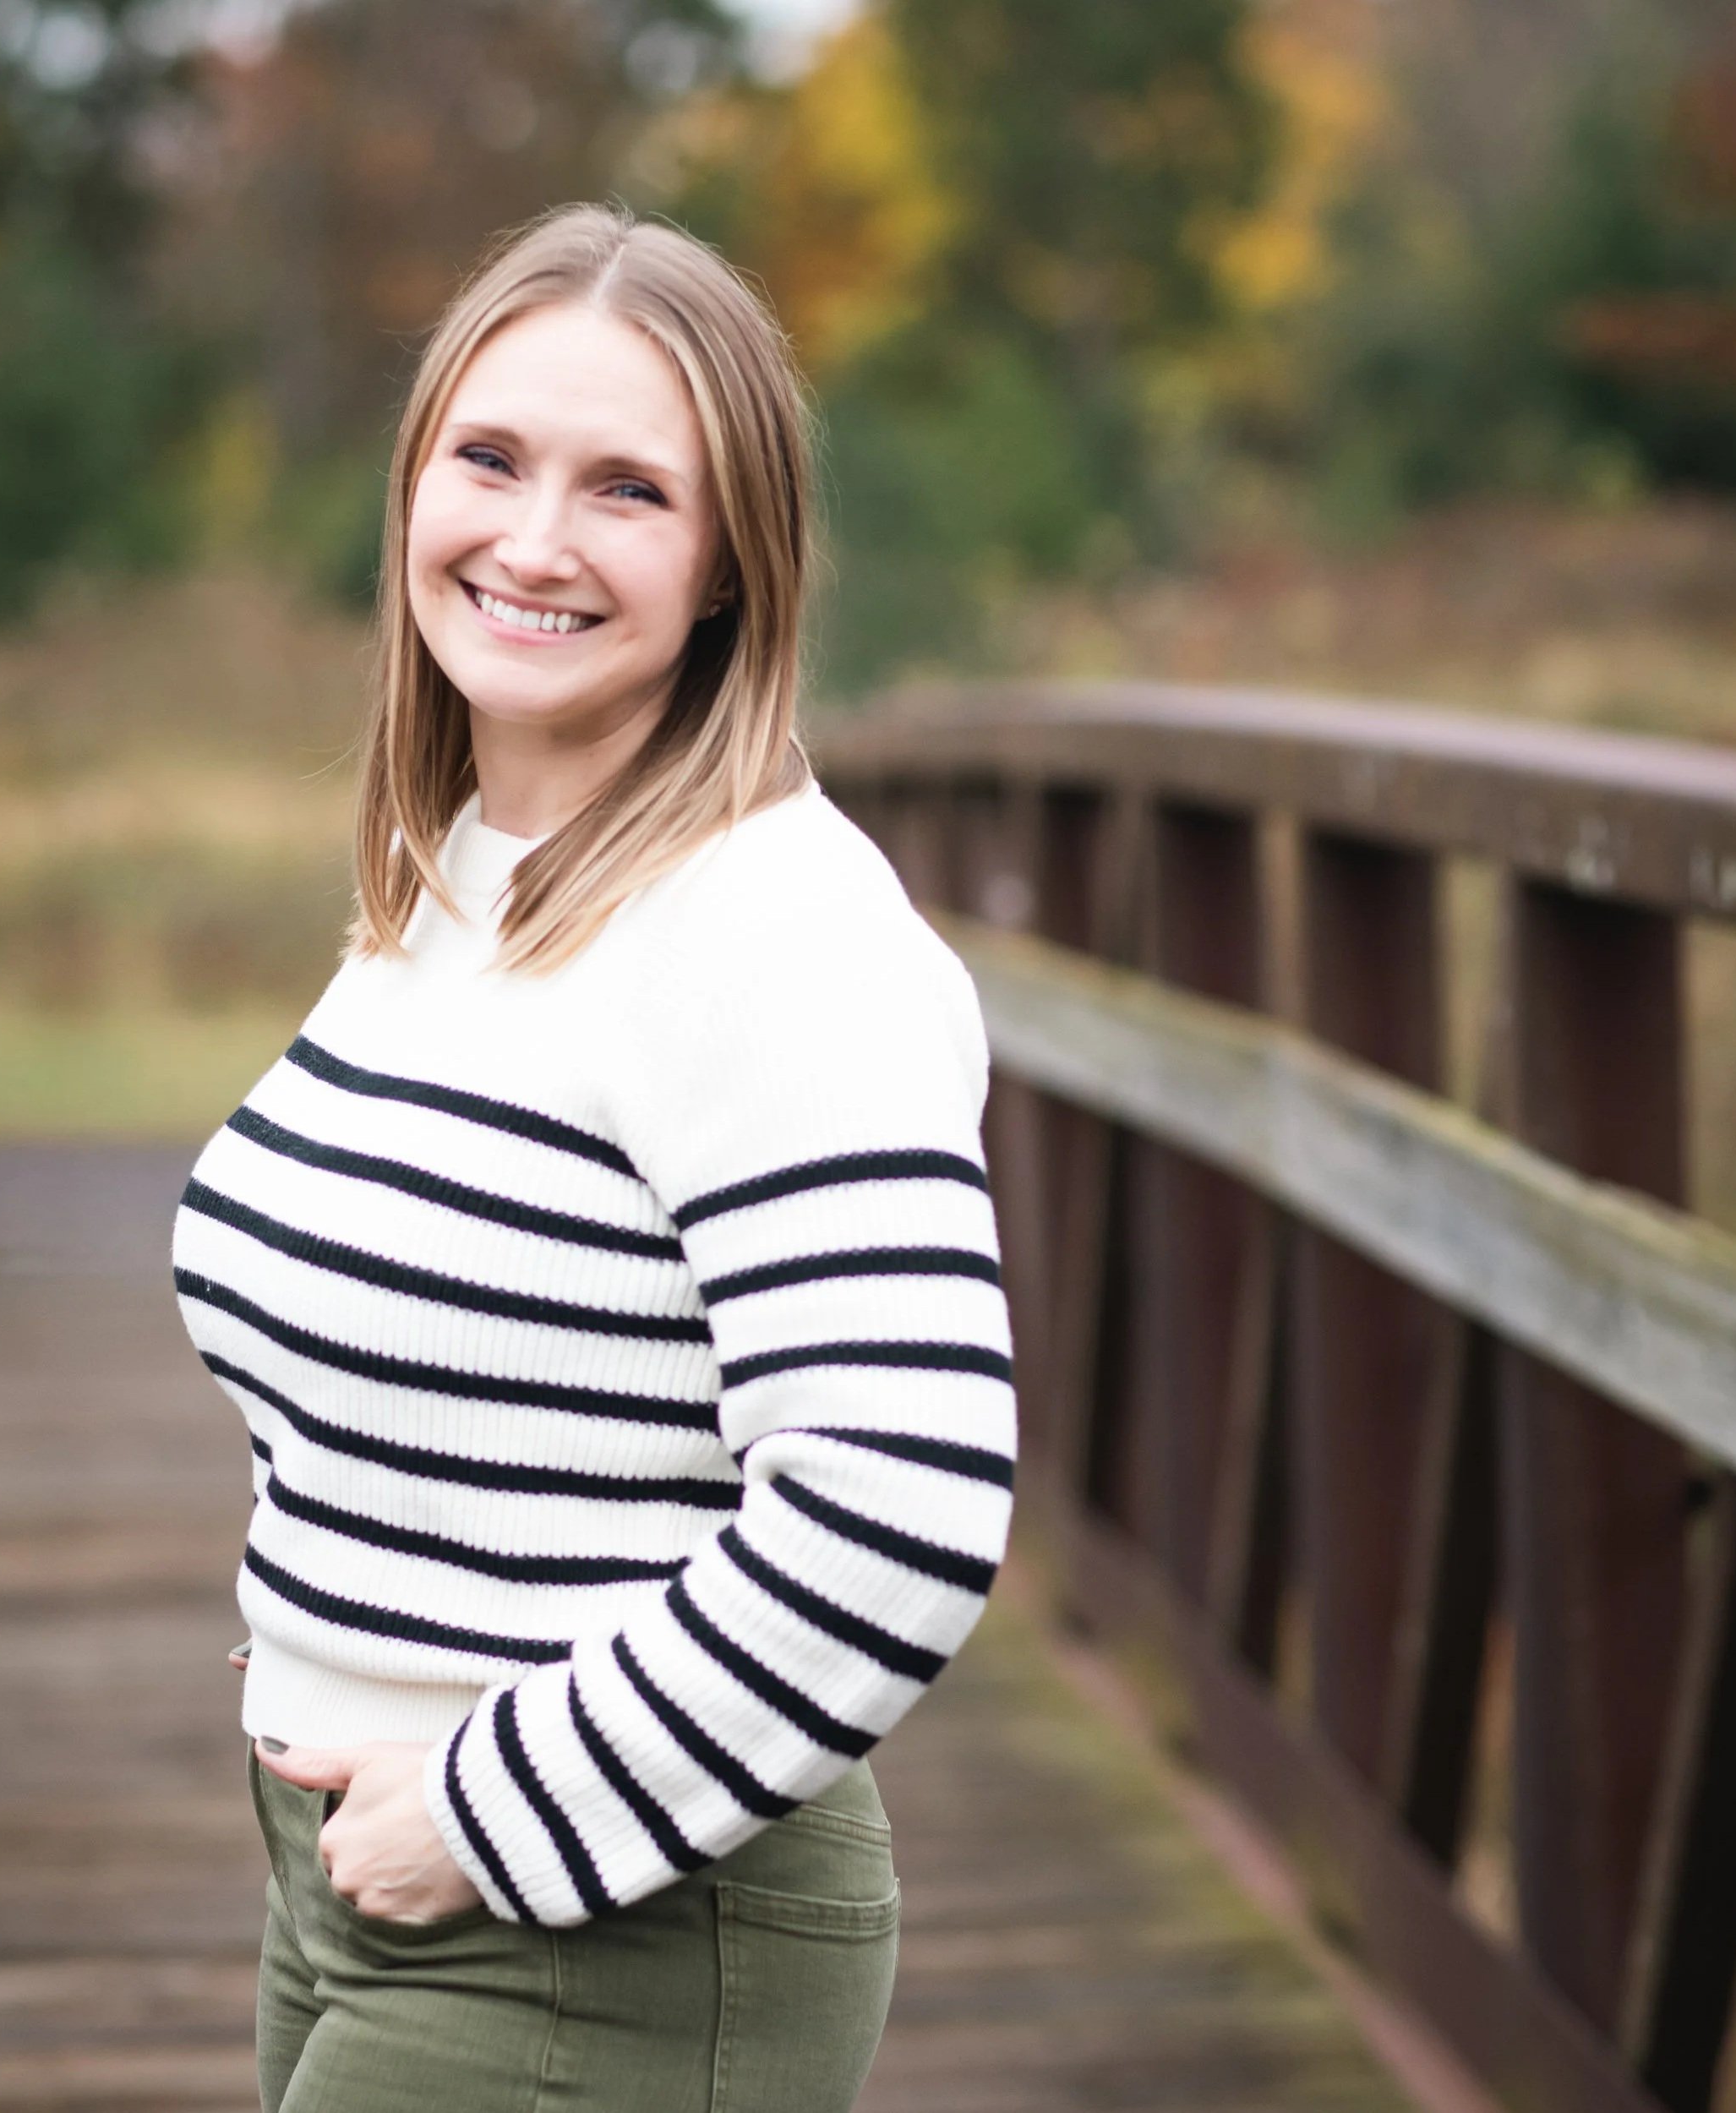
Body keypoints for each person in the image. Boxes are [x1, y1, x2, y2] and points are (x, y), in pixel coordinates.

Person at [171, 200, 1017, 2113]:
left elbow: (901, 1502)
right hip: (353, 1877)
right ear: (411, 488)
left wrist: (476, 1808)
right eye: (488, 458)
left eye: (627, 489)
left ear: (731, 566)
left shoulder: (769, 932)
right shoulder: (460, 875)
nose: (532, 540)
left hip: (595, 1922)